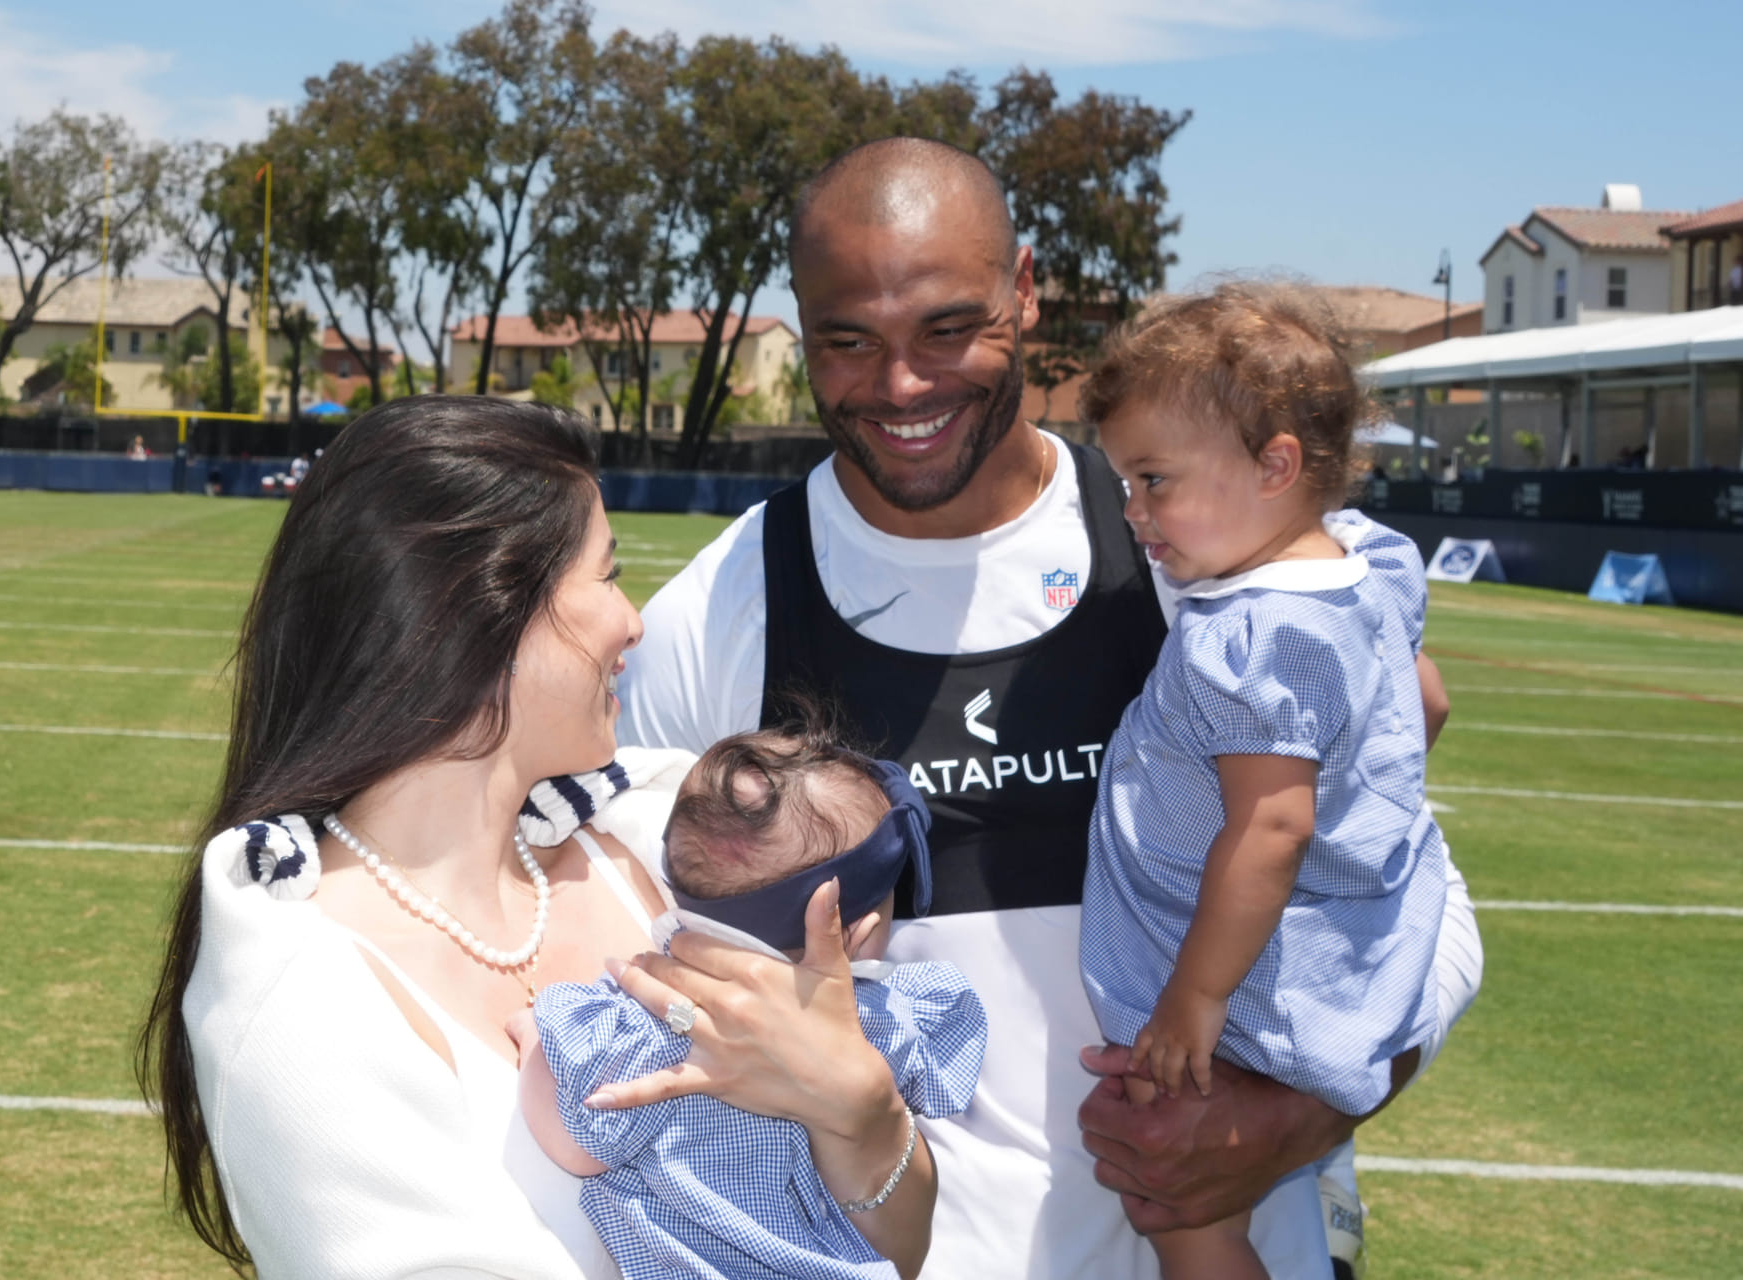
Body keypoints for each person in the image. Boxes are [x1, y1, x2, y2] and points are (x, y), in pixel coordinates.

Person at [615, 138, 1484, 1280]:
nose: (902, 384)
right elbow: (633, 983)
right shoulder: (719, 613)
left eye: (947, 326)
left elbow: (1421, 907)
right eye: (848, 341)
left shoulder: (1204, 559)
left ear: (1025, 289)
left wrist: (1303, 1119)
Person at [137, 397, 937, 1279]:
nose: (633, 621)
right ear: (484, 610)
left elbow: (892, 1248)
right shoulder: (297, 1000)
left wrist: (865, 1116)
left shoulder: (665, 855)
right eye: (606, 575)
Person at [1077, 284, 1451, 1279]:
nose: (1133, 510)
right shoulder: (1366, 562)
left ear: (1276, 464)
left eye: (1154, 479)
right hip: (1319, 952)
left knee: (1178, 1205)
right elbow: (1430, 706)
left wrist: (1195, 998)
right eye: (1125, 480)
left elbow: (1272, 825)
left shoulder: (1255, 634)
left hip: (1242, 987)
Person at [513, 723, 987, 1280]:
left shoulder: (651, 1027)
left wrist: (535, 1046)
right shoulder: (886, 1021)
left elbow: (578, 1144)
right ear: (856, 933)